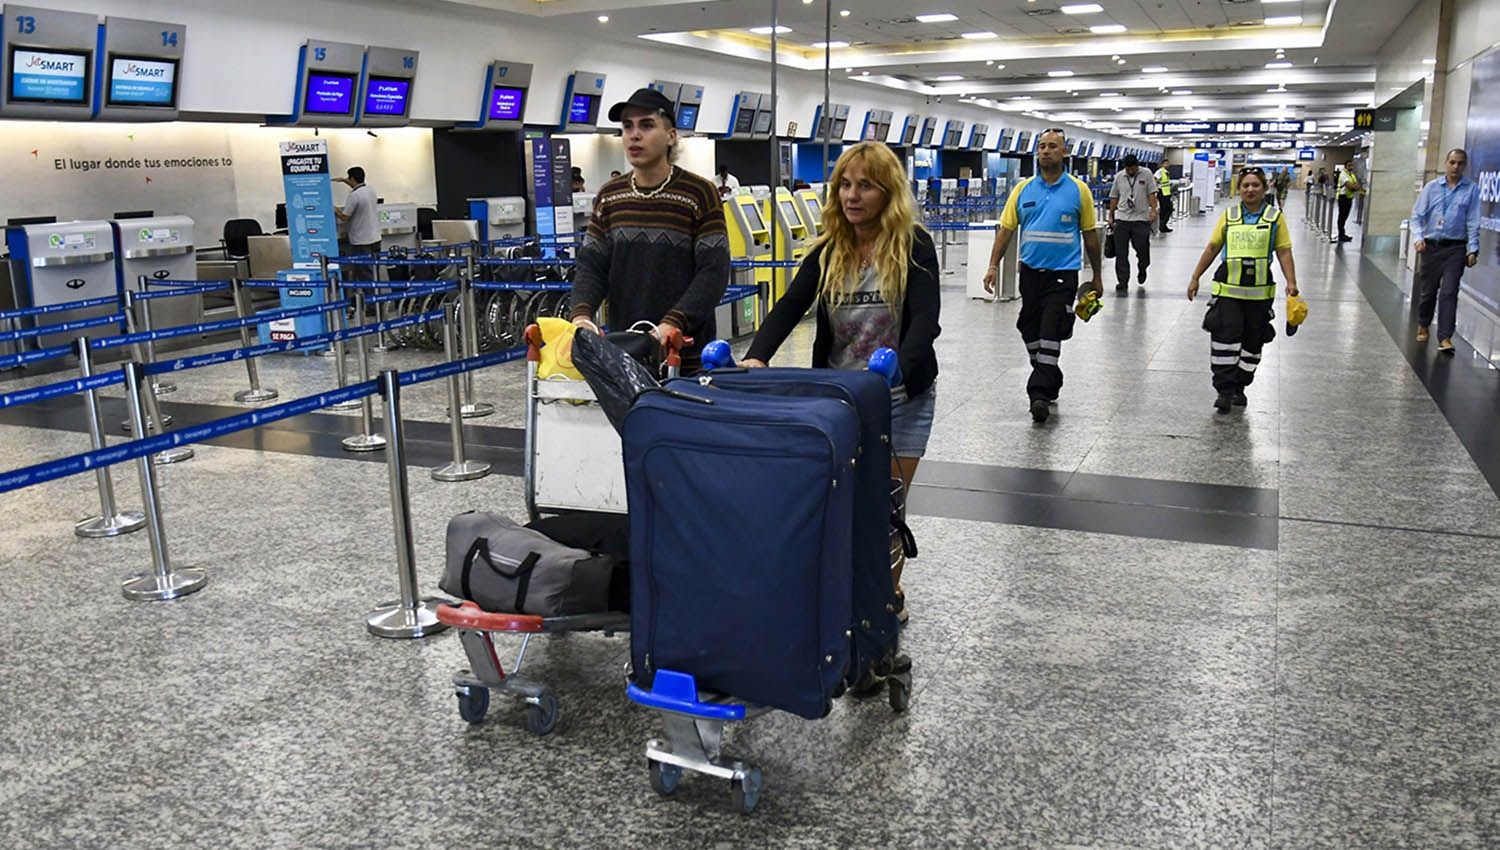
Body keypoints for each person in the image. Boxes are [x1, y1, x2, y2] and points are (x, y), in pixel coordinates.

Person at [740, 141, 940, 624]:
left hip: (901, 396)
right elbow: (790, 305)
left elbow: (925, 320)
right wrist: (757, 355)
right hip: (839, 398)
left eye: (865, 186)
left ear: (887, 192)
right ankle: (844, 588)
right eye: (845, 185)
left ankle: (885, 597)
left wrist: (900, 367)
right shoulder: (829, 250)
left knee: (886, 503)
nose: (852, 195)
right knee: (843, 498)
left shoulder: (913, 244)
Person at [569, 88, 729, 372]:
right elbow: (592, 265)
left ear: (671, 136)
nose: (634, 135)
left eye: (646, 125)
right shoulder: (609, 196)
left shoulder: (699, 193)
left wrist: (673, 323)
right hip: (625, 351)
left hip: (686, 356)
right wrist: (582, 315)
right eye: (627, 126)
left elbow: (713, 272)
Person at [982, 128, 1103, 423]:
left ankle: (1039, 395)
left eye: (1052, 146)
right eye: (1042, 146)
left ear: (1064, 152)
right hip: (1031, 274)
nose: (1046, 151)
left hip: (1063, 274)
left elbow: (1090, 236)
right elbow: (1006, 230)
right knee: (1029, 327)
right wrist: (993, 265)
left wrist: (1097, 275)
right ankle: (1051, 375)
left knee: (1050, 329)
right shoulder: (1023, 189)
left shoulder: (1079, 191)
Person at [1187, 167, 1299, 413]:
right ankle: (1224, 391)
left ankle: (1240, 386)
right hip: (1228, 292)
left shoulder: (1274, 218)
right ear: (1239, 189)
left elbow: (1284, 251)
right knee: (1224, 340)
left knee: (1253, 342)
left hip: (1259, 293)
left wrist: (1291, 283)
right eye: (1245, 185)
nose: (1250, 190)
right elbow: (1212, 247)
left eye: (1255, 185)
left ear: (1265, 188)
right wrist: (1195, 277)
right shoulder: (1229, 216)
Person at [1411, 148, 1482, 354]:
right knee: (1428, 292)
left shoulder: (1471, 190)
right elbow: (1417, 216)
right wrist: (1418, 238)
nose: (1456, 167)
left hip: (1456, 248)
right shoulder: (1432, 188)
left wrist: (1473, 248)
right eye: (1452, 162)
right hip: (1432, 246)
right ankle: (1424, 323)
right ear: (1445, 163)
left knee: (1449, 292)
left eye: (1460, 163)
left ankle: (1445, 337)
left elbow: (1473, 220)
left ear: (1465, 165)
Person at [1108, 153, 1158, 292]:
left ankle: (1142, 267)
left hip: (1141, 219)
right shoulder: (1119, 177)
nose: (1130, 171)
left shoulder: (1146, 174)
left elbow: (1152, 194)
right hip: (1122, 219)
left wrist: (1153, 210)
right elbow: (1114, 197)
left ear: (1137, 166)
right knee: (1121, 253)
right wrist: (1111, 215)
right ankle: (1123, 281)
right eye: (1128, 169)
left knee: (1142, 250)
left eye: (1132, 169)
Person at [334, 166, 379, 282]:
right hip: (375, 238)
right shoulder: (371, 190)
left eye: (348, 178)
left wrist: (334, 208)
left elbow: (344, 217)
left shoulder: (354, 196)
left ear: (352, 178)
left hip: (361, 240)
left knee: (364, 272)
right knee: (374, 270)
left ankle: (368, 293)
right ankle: (376, 292)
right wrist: (343, 180)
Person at [1336, 162, 1363, 242]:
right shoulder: (1343, 174)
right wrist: (1354, 187)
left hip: (1349, 198)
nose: (1351, 167)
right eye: (1349, 165)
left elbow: (1357, 185)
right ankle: (1341, 235)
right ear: (1345, 166)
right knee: (1342, 217)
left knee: (1345, 217)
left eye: (1352, 165)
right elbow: (1351, 187)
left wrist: (1355, 186)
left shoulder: (1352, 175)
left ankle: (1343, 234)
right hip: (1343, 197)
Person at [1155, 161, 1175, 233]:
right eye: (1165, 163)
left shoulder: (1166, 172)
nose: (1167, 165)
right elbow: (1154, 179)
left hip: (1166, 193)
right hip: (1162, 193)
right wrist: (1156, 188)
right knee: (1165, 210)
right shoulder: (1160, 171)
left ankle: (1163, 225)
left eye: (1168, 163)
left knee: (1168, 209)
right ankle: (1162, 225)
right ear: (1162, 164)